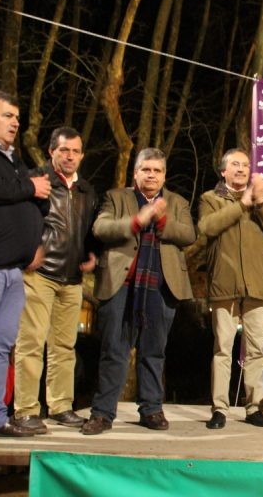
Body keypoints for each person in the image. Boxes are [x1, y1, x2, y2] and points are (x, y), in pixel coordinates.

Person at [81, 148, 195, 435]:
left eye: (157, 171)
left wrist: (163, 222)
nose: (152, 175)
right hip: (122, 284)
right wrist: (138, 220)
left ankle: (152, 410)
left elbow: (189, 235)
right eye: (146, 170)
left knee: (153, 351)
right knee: (114, 351)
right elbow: (101, 228)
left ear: (164, 175)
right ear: (135, 173)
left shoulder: (177, 202)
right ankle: (103, 413)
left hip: (161, 286)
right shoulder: (115, 197)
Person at [13, 127, 98, 435]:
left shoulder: (87, 190)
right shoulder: (38, 181)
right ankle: (25, 411)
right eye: (64, 150)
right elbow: (21, 219)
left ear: (82, 155)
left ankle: (61, 406)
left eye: (76, 151)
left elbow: (89, 230)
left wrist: (92, 253)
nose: (70, 156)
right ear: (51, 152)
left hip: (73, 278)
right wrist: (28, 249)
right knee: (31, 343)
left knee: (64, 347)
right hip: (40, 274)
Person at [198, 148, 263, 430]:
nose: (241, 169)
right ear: (223, 171)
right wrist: (242, 203)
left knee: (257, 350)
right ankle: (219, 409)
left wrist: (259, 201)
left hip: (257, 285)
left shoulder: (259, 203)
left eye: (245, 165)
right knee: (223, 348)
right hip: (224, 284)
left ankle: (255, 407)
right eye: (235, 164)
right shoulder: (210, 199)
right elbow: (208, 227)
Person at [0, 90, 51, 441]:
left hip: (14, 270)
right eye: (7, 115)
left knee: (0, 346)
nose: (15, 122)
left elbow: (34, 199)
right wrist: (28, 187)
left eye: (17, 116)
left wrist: (33, 240)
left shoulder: (15, 161)